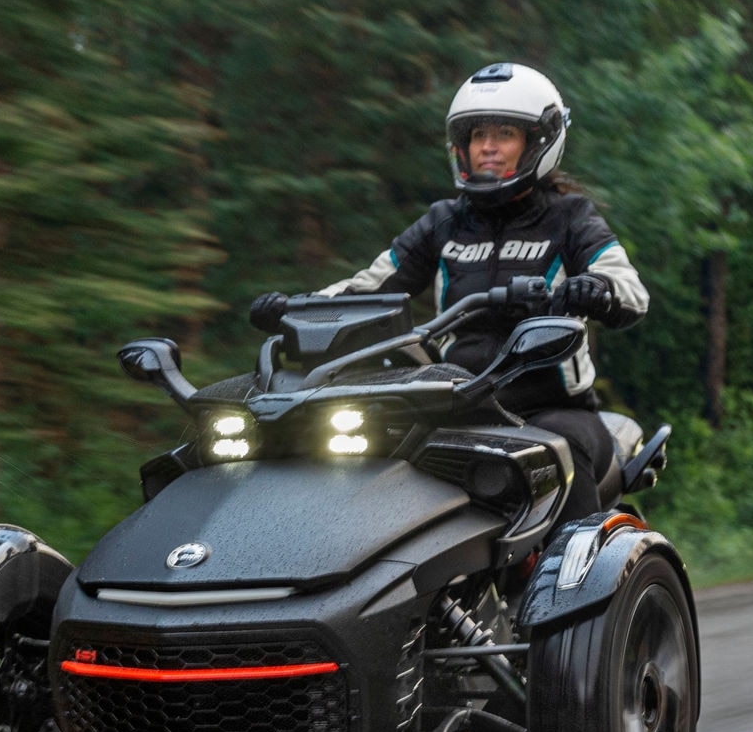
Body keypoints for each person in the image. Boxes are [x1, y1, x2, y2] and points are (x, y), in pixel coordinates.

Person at [259, 62, 648, 520]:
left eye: (503, 134)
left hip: (551, 408)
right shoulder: (444, 221)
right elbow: (368, 287)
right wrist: (300, 310)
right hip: (455, 405)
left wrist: (596, 288)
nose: (486, 147)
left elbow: (630, 289)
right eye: (476, 135)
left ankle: (579, 586)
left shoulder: (569, 217)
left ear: (538, 142)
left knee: (559, 458)